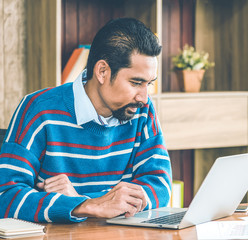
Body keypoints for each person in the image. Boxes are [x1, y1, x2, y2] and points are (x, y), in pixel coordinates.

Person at [0, 18, 172, 223]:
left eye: (149, 84)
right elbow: (5, 197)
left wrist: (83, 201)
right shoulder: (38, 109)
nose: (144, 97)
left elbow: (159, 184)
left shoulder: (141, 111)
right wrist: (89, 205)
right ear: (102, 71)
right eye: (136, 82)